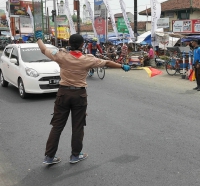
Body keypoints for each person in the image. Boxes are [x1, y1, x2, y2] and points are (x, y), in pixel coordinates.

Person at [38, 34, 131, 165]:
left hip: (63, 93)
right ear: (82, 45)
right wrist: (122, 66)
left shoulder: (61, 55)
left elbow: (43, 49)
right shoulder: (88, 59)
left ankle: (49, 157)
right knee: (78, 126)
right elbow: (107, 63)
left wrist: (39, 39)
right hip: (79, 95)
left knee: (57, 127)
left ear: (69, 43)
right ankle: (75, 155)